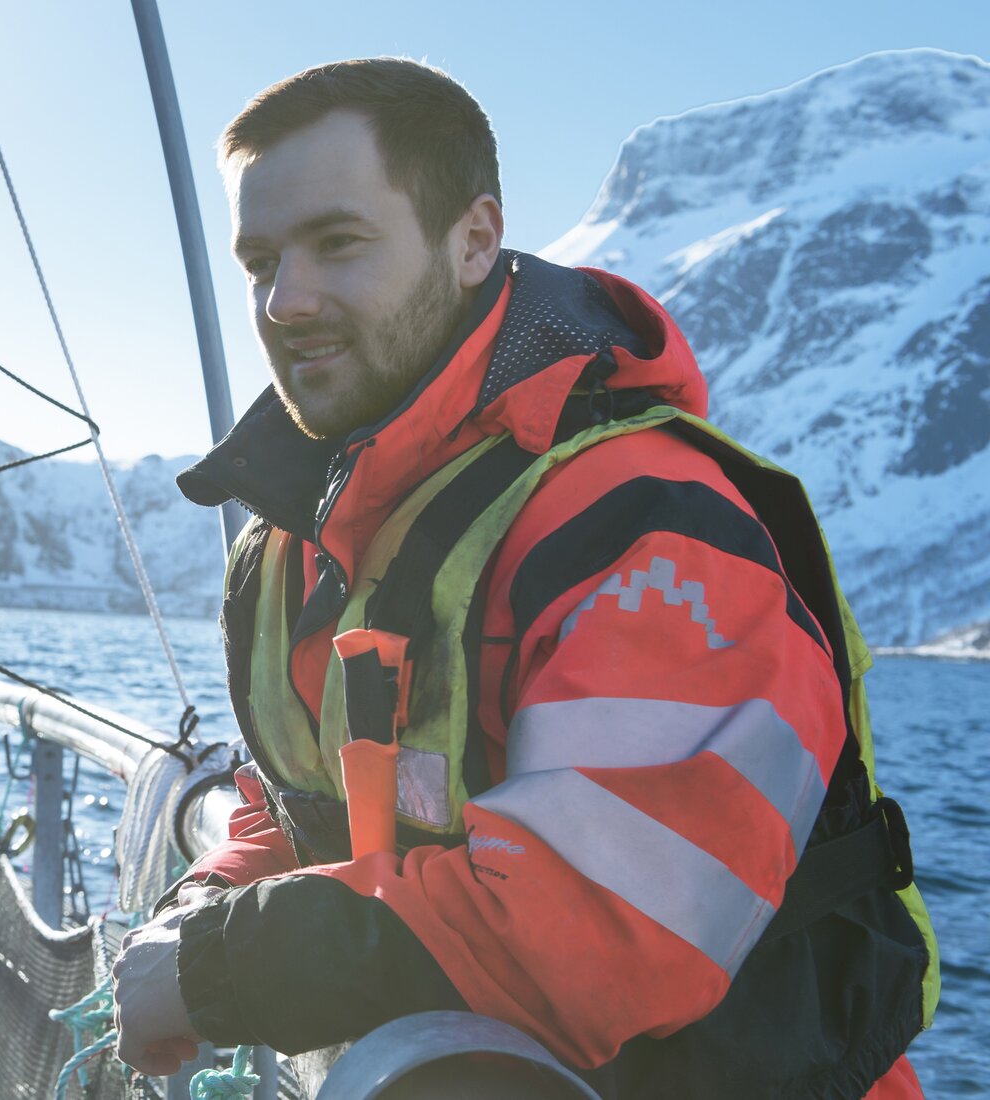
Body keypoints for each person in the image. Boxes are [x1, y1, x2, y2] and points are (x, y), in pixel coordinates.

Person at [110, 58, 938, 1098]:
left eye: (337, 243)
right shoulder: (290, 546)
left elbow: (599, 924)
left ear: (474, 238)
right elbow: (299, 805)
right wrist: (204, 902)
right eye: (262, 258)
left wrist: (220, 965)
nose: (287, 298)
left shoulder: (647, 531)